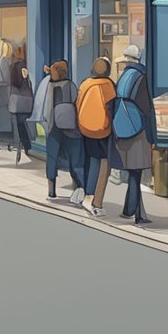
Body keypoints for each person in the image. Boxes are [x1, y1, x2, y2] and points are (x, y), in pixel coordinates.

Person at [111, 45, 154, 225]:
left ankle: (129, 209)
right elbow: (146, 107)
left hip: (123, 127)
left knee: (132, 172)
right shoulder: (141, 78)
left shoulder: (124, 77)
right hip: (138, 129)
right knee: (136, 171)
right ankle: (138, 214)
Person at [76, 57, 117, 216]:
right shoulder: (109, 86)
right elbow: (113, 109)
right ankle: (97, 202)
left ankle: (87, 194)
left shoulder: (85, 84)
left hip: (86, 128)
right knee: (104, 164)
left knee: (91, 161)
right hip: (104, 130)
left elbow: (78, 104)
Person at [41, 60, 84, 200]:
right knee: (75, 159)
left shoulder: (50, 86)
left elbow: (47, 109)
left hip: (54, 128)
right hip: (71, 128)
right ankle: (77, 190)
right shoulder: (71, 85)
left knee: (52, 158)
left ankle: (51, 191)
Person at [7, 51, 35, 163]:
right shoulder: (23, 67)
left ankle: (20, 145)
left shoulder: (12, 70)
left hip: (16, 103)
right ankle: (27, 146)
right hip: (26, 102)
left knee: (19, 126)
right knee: (24, 126)